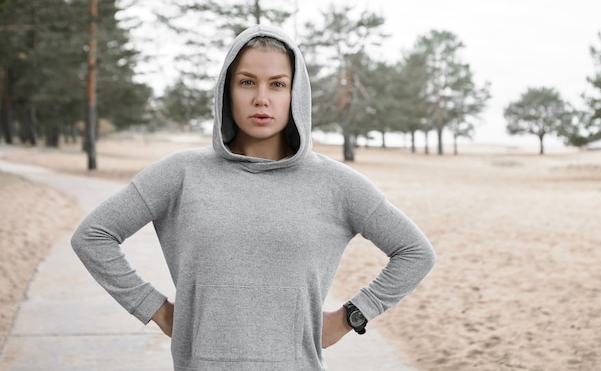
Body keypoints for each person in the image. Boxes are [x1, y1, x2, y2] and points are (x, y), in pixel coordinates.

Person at [71, 25, 436, 371]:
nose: (261, 98)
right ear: (227, 90)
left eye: (277, 84)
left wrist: (351, 317)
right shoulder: (180, 173)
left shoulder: (336, 184)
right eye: (247, 82)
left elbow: (415, 252)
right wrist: (157, 309)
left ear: (295, 93)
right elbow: (94, 236)